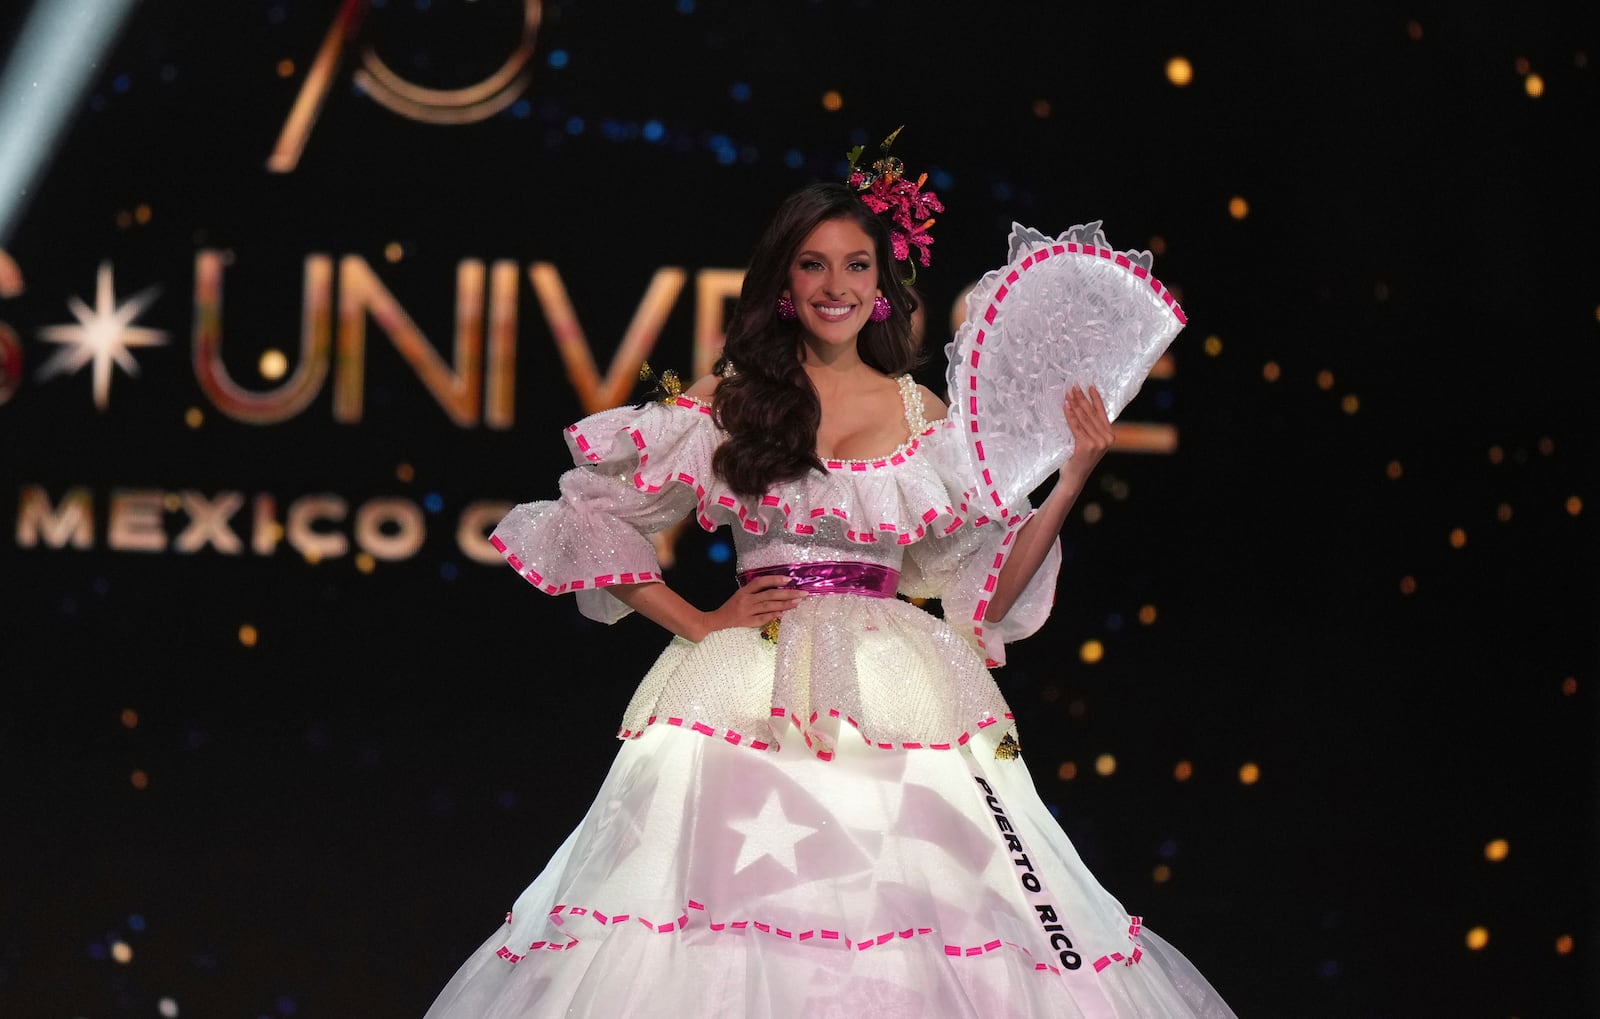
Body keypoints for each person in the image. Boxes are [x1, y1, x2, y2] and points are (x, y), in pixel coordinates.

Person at [424, 141, 1236, 1017]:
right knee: (705, 933)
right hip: (747, 688)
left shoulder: (924, 414)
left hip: (897, 691)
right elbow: (589, 510)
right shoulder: (733, 397)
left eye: (856, 264)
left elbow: (986, 596)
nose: (835, 284)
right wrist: (697, 620)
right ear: (784, 279)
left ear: (883, 281)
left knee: (917, 933)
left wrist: (1071, 476)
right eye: (812, 264)